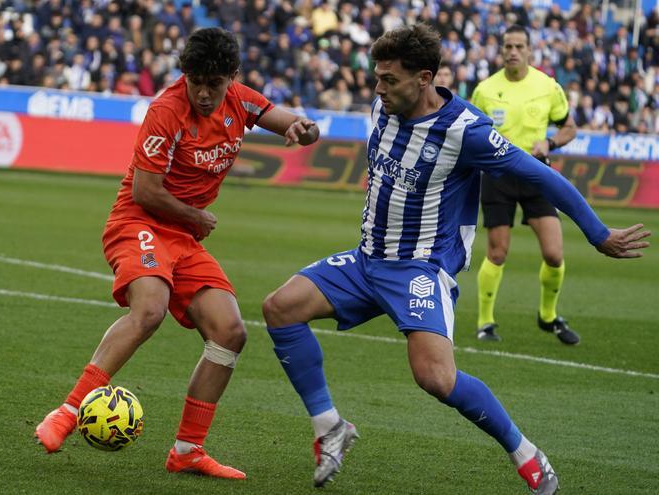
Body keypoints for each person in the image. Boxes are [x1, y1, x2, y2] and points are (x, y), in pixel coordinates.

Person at [261, 24, 649, 492]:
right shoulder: (383, 106)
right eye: (377, 77)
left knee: (435, 377)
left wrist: (598, 232)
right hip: (366, 261)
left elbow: (541, 178)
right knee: (279, 309)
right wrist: (311, 129)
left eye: (390, 80)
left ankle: (527, 453)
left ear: (424, 78)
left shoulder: (466, 131)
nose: (378, 89)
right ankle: (330, 427)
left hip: (418, 269)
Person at [34, 27, 320, 479]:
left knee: (230, 332)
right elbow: (147, 192)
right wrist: (195, 216)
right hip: (139, 223)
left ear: (232, 77)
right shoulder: (166, 110)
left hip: (182, 236)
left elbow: (294, 124)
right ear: (184, 75)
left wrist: (305, 129)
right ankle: (66, 413)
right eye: (196, 83)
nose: (204, 94)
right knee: (150, 308)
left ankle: (188, 449)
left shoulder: (241, 100)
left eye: (215, 84)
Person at [470, 25, 581, 344]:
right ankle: (485, 322)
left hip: (536, 174)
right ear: (501, 50)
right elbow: (473, 132)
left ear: (530, 51)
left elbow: (569, 127)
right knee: (498, 252)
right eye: (507, 46)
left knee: (554, 254)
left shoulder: (547, 86)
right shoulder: (485, 89)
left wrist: (550, 142)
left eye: (519, 46)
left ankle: (548, 316)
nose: (513, 51)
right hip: (498, 176)